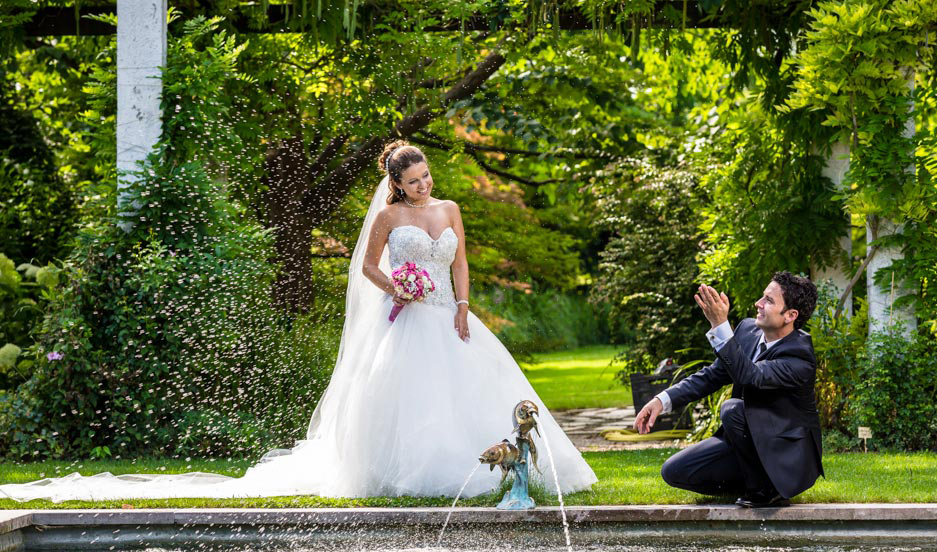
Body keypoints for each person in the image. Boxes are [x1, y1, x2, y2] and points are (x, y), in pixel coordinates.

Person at [0, 142, 596, 503]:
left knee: (479, 388)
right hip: (410, 320)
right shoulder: (388, 218)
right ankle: (421, 474)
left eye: (427, 177)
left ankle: (508, 470)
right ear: (396, 184)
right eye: (414, 181)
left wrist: (463, 305)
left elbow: (461, 260)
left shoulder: (450, 209)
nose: (424, 185)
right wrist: (401, 288)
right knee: (416, 399)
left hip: (453, 317)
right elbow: (366, 268)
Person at [634, 272, 823, 508]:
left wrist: (720, 326)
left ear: (790, 316)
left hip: (786, 456)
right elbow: (713, 375)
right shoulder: (746, 330)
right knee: (674, 471)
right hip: (748, 444)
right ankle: (752, 483)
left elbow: (751, 376)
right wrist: (661, 400)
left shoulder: (799, 355)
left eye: (769, 301)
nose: (758, 304)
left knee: (733, 408)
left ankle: (768, 488)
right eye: (762, 297)